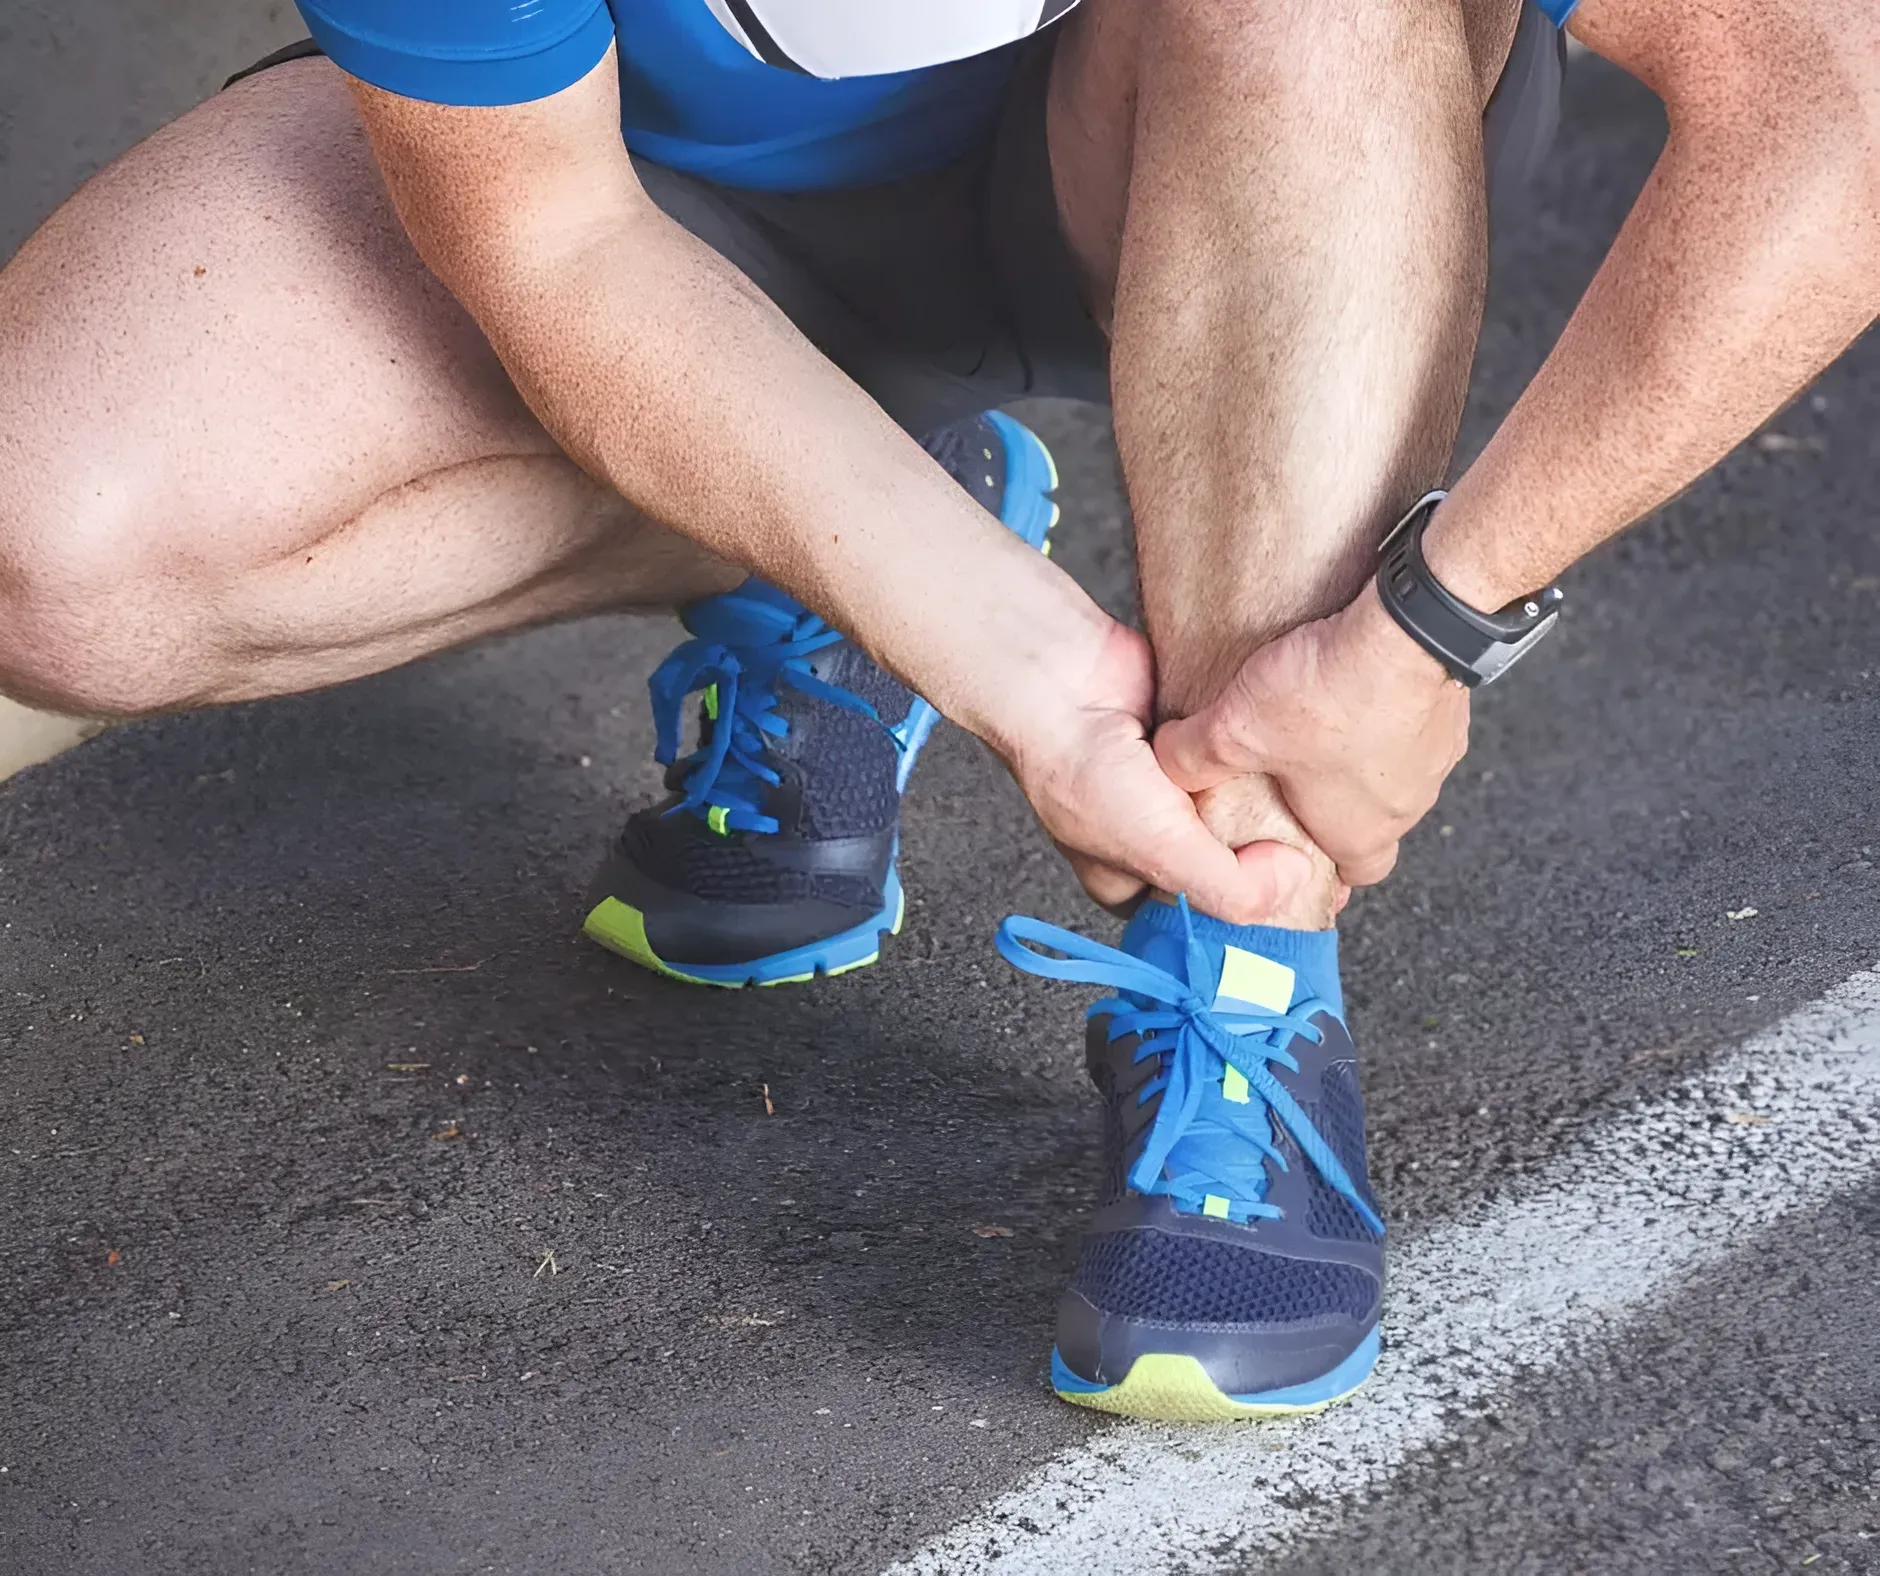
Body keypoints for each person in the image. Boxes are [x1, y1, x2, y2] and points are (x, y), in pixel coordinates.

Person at [0, 0, 1874, 1422]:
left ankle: (1243, 953)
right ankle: (865, 535)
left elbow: (1834, 90)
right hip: (665, 203)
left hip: (1220, 146)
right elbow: (551, 239)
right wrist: (978, 637)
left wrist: (1431, 626)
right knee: (59, 549)